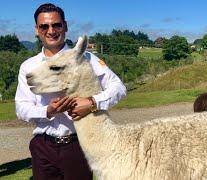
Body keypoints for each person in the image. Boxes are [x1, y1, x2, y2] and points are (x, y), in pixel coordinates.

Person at [15, 3, 127, 180]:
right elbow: (21, 108)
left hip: (77, 145)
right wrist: (47, 111)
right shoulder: (29, 67)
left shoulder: (86, 58)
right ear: (37, 30)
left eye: (56, 25)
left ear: (65, 26)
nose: (51, 31)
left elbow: (118, 88)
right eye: (44, 26)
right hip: (44, 146)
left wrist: (92, 103)